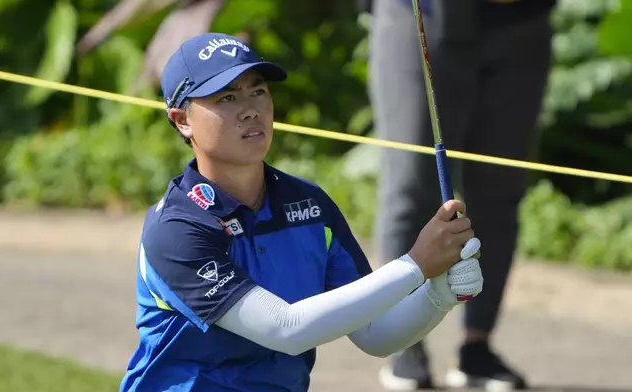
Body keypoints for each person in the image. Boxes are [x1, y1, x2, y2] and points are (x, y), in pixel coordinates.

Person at [119, 32, 484, 392]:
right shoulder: (176, 228)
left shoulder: (309, 204)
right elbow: (286, 329)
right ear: (182, 120)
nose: (250, 109)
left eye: (258, 91)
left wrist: (439, 292)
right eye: (227, 97)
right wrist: (417, 264)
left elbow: (376, 334)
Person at [367, 0, 556, 390]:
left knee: (500, 190)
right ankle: (405, 344)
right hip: (422, 14)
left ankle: (477, 348)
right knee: (411, 187)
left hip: (521, 20)